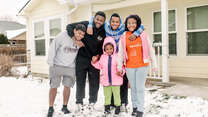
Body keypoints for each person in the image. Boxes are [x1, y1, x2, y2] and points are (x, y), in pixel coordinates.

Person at [87, 13, 144, 112]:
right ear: (109, 22)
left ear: (120, 23)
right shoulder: (106, 27)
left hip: (121, 56)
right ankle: (112, 103)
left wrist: (135, 34)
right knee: (111, 82)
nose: (115, 23)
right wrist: (90, 25)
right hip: (109, 55)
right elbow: (93, 17)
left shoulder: (123, 28)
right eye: (113, 21)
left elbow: (141, 26)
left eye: (117, 22)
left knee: (122, 81)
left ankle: (123, 103)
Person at [117, 15, 157, 117]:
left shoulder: (143, 35)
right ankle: (134, 107)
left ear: (137, 23)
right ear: (126, 24)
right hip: (129, 66)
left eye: (133, 23)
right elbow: (120, 53)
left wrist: (154, 64)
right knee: (133, 88)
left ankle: (140, 109)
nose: (131, 25)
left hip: (142, 65)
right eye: (129, 23)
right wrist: (119, 67)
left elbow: (151, 50)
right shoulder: (124, 36)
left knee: (140, 88)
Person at [66, 11, 106, 112]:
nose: (99, 22)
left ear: (104, 22)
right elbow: (69, 27)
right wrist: (75, 40)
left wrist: (98, 56)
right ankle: (79, 102)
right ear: (94, 18)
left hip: (94, 60)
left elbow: (103, 47)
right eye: (97, 19)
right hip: (82, 58)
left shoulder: (104, 31)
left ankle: (92, 102)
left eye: (101, 20)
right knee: (80, 81)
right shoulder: (86, 24)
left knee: (94, 82)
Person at [46, 24, 86, 117]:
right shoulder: (63, 36)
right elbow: (53, 47)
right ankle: (50, 108)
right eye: (79, 33)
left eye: (82, 35)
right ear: (75, 30)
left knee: (67, 87)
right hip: (57, 65)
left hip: (70, 67)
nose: (80, 36)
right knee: (54, 86)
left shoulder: (81, 41)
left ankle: (64, 106)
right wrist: (50, 62)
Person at [91, 37, 125, 116]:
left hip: (116, 80)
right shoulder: (103, 57)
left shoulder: (117, 56)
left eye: (111, 48)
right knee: (107, 95)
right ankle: (107, 107)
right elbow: (99, 66)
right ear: (104, 49)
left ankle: (117, 107)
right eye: (107, 49)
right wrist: (94, 62)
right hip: (106, 80)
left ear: (114, 48)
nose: (109, 50)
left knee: (117, 95)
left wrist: (121, 72)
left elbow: (122, 67)